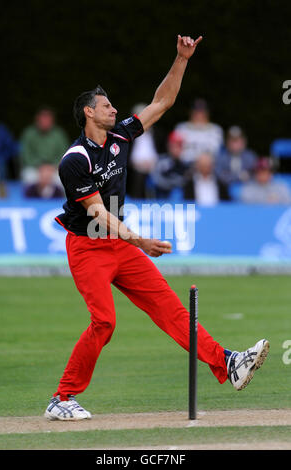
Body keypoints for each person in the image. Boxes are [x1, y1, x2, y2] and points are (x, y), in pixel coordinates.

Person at [44, 35, 269, 421]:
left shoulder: (119, 135)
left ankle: (228, 362)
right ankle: (61, 398)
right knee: (104, 321)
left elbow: (161, 103)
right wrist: (141, 241)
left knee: (172, 311)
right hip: (88, 247)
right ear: (87, 113)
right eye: (106, 106)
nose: (114, 109)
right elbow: (97, 213)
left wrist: (181, 59)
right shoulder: (74, 160)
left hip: (120, 245)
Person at [20, 106, 69, 183]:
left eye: (47, 118)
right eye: (43, 118)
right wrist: (40, 166)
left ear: (52, 120)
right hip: (35, 168)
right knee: (28, 177)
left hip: (54, 169)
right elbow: (26, 155)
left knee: (63, 178)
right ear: (37, 119)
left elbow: (65, 154)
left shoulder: (59, 134)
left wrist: (52, 167)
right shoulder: (29, 133)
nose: (45, 121)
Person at [175, 98, 223, 164]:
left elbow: (218, 153)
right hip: (185, 165)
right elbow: (175, 150)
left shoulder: (216, 130)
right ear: (191, 112)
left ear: (207, 113)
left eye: (202, 112)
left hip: (208, 167)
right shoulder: (181, 128)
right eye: (196, 111)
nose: (199, 115)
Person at [127, 103, 159, 198]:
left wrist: (153, 163)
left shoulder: (157, 134)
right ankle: (136, 202)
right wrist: (137, 164)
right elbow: (125, 157)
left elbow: (162, 153)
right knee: (139, 176)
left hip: (155, 169)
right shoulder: (128, 136)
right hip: (134, 170)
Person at [151, 130, 188, 199]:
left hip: (180, 199)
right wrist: (172, 183)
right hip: (160, 195)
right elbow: (155, 180)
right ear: (169, 146)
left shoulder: (185, 163)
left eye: (179, 146)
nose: (176, 149)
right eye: (174, 146)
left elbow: (186, 181)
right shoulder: (161, 161)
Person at [0, 104, 18, 181]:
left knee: (0, 165)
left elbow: (12, 147)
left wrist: (2, 157)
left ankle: (1, 191)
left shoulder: (1, 129)